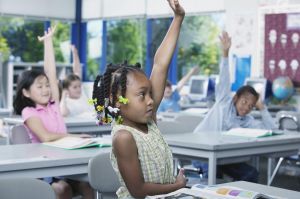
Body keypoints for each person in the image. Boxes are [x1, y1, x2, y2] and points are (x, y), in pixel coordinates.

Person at [91, 0, 186, 198]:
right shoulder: (123, 137)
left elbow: (160, 65)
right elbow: (139, 190)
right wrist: (178, 186)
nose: (151, 100)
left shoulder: (148, 120)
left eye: (150, 93)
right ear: (117, 100)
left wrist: (178, 18)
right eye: (142, 95)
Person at [13, 26, 94, 199]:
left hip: (65, 160)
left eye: (47, 86)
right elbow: (47, 137)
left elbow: (50, 72)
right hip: (46, 167)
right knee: (63, 189)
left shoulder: (53, 104)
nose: (45, 89)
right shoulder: (29, 111)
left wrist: (48, 42)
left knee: (88, 185)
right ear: (26, 92)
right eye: (39, 87)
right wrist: (74, 136)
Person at [192, 31, 277, 183]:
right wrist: (225, 53)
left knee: (250, 174)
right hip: (202, 151)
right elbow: (224, 79)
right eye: (244, 102)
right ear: (235, 98)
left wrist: (262, 108)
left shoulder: (248, 121)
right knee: (213, 175)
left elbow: (272, 130)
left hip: (222, 156)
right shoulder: (223, 103)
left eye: (251, 106)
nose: (247, 108)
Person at [60, 45, 94, 117]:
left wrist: (75, 53)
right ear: (67, 89)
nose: (79, 89)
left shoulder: (82, 95)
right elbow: (63, 113)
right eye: (75, 87)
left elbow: (77, 70)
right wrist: (63, 97)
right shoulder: (67, 102)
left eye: (79, 86)